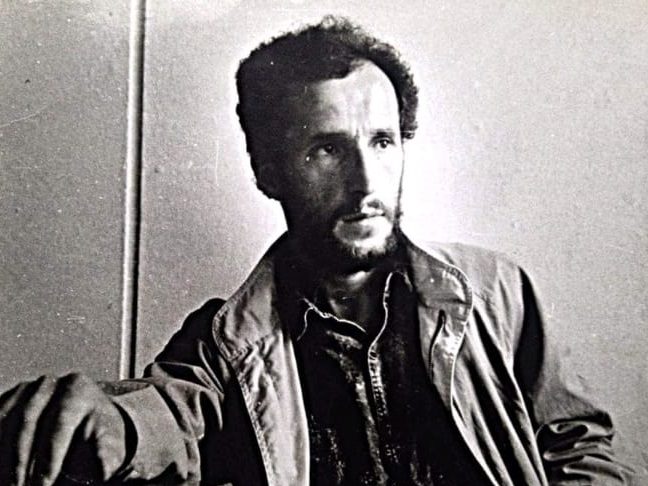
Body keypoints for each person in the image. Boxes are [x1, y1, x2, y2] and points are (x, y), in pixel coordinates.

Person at [0, 16, 627, 486]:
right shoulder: (222, 345)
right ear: (268, 171)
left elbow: (580, 446)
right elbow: (164, 419)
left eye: (382, 142)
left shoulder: (497, 292)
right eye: (327, 150)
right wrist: (102, 420)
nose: (365, 183)